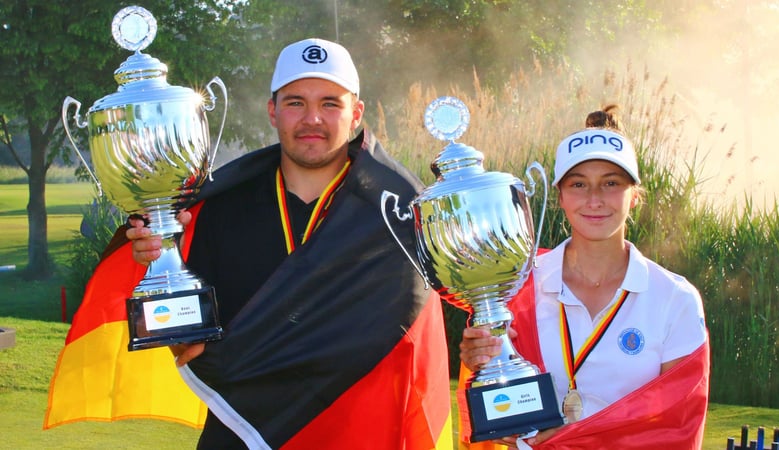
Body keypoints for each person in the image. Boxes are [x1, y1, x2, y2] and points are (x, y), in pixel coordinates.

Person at [52, 38, 453, 450]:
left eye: (330, 103)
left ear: (356, 114)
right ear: (272, 111)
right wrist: (153, 256)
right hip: (242, 432)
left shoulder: (399, 211)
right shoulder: (213, 208)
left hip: (360, 431)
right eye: (296, 102)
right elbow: (181, 326)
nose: (312, 118)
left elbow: (448, 301)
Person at [457, 107, 710, 449]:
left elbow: (674, 423)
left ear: (634, 196)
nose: (594, 199)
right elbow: (499, 405)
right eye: (579, 184)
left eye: (610, 183)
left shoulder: (674, 298)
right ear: (560, 196)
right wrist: (482, 362)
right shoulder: (515, 287)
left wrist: (577, 439)